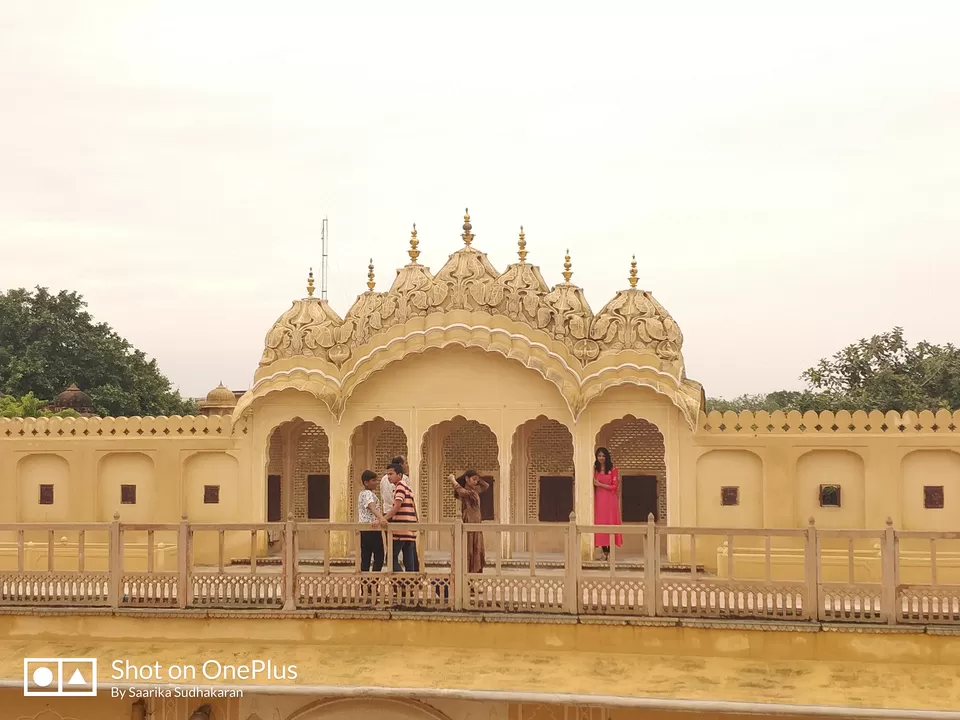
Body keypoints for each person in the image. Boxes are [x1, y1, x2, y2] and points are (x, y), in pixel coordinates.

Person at [449, 470, 490, 573]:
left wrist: (478, 479)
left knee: (477, 548)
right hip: (469, 521)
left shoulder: (474, 491)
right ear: (467, 479)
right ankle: (468, 577)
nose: (476, 482)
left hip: (477, 523)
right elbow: (461, 491)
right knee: (469, 549)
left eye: (477, 480)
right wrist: (453, 481)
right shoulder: (467, 492)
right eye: (473, 479)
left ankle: (474, 578)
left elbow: (486, 486)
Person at [383, 461, 419, 572]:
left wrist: (384, 518)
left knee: (391, 557)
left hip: (401, 530)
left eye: (391, 474)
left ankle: (402, 583)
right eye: (387, 474)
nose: (388, 477)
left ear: (399, 475)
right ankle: (410, 584)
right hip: (408, 529)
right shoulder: (406, 487)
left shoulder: (400, 487)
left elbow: (397, 506)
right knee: (409, 560)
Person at [593, 447, 623, 560]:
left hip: (610, 500)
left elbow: (614, 487)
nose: (601, 458)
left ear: (607, 457)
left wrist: (600, 485)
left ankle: (609, 553)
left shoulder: (613, 469)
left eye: (603, 456)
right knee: (600, 523)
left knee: (609, 522)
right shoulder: (594, 469)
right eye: (599, 455)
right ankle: (603, 552)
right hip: (599, 500)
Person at [357, 469, 386, 572]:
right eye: (373, 480)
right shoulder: (367, 493)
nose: (376, 483)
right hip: (371, 529)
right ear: (366, 482)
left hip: (367, 529)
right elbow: (371, 506)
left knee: (366, 558)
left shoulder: (364, 494)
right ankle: (371, 585)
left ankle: (367, 586)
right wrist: (381, 518)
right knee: (379, 556)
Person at [380, 454, 408, 527]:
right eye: (405, 463)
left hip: (386, 512)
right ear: (400, 465)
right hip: (399, 515)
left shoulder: (383, 479)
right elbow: (398, 505)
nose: (407, 466)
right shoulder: (403, 479)